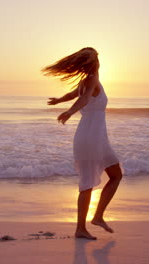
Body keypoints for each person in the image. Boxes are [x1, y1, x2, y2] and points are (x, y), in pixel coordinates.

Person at [42, 47, 123, 240]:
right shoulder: (92, 78)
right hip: (91, 137)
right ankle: (80, 229)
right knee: (87, 183)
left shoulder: (88, 80)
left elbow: (74, 94)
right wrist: (69, 112)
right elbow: (84, 98)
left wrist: (59, 100)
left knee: (116, 174)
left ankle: (98, 217)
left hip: (97, 136)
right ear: (95, 62)